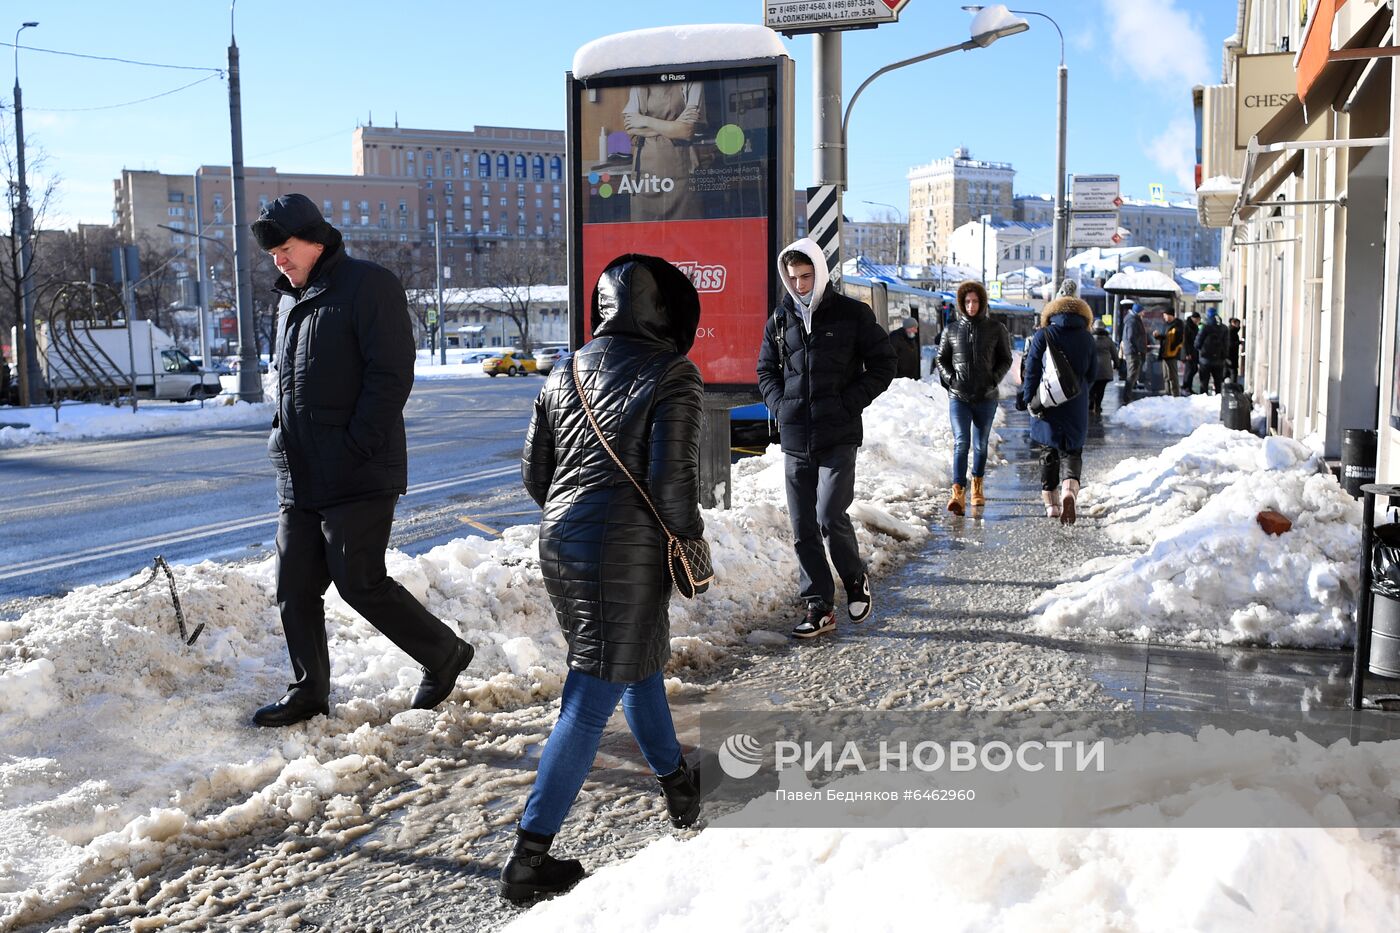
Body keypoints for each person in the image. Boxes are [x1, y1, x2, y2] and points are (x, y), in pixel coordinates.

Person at [504, 254, 710, 903]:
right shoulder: (672, 372)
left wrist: (582, 513)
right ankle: (528, 859)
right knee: (592, 690)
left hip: (565, 541)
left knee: (637, 664)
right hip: (625, 548)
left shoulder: (565, 369)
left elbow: (537, 475)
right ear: (665, 309)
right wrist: (692, 541)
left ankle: (679, 785)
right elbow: (671, 485)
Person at [250, 194, 474, 728]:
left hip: (358, 469)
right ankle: (308, 692)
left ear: (317, 239)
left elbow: (390, 374)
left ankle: (444, 653)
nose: (279, 260)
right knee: (293, 586)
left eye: (286, 248)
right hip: (300, 471)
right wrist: (281, 437)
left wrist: (356, 444)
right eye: (273, 253)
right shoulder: (288, 302)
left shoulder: (368, 285)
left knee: (359, 580)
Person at [757, 237, 896, 638]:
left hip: (839, 435)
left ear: (820, 273)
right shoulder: (780, 320)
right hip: (796, 437)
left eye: (806, 276)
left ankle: (854, 578)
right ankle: (818, 604)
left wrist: (850, 401)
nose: (799, 284)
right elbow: (765, 369)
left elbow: (884, 363)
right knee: (802, 526)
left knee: (829, 515)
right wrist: (781, 406)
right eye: (793, 277)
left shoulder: (852, 314)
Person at [1017, 281, 1096, 524]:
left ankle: (1051, 504)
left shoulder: (1044, 334)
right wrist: (1079, 392)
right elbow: (1092, 374)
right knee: (1072, 451)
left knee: (1048, 450)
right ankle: (1069, 492)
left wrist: (1028, 397)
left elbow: (1031, 370)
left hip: (1047, 400)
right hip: (1076, 402)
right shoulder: (1087, 338)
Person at [937, 281, 1012, 513]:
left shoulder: (996, 328)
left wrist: (993, 379)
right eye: (967, 301)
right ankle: (958, 492)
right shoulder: (951, 330)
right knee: (961, 443)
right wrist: (951, 379)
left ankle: (977, 488)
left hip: (986, 397)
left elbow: (1006, 359)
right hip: (959, 397)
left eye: (975, 301)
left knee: (980, 446)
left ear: (982, 303)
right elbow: (941, 359)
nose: (971, 305)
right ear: (961, 303)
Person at [623, 83, 702, 222]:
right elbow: (630, 127)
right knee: (645, 239)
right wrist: (674, 128)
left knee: (683, 235)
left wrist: (643, 120)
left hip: (680, 170)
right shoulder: (638, 81)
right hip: (644, 174)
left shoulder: (692, 79)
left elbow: (687, 131)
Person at [1089, 315, 1119, 417]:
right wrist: (1117, 364)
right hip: (1105, 369)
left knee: (1092, 387)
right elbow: (1115, 353)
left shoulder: (1090, 339)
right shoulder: (1108, 340)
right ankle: (1097, 406)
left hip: (1092, 368)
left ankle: (1091, 404)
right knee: (1101, 389)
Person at [1196, 309, 1230, 395]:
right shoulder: (1224, 328)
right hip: (1219, 360)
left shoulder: (1205, 327)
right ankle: (1218, 398)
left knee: (1204, 382)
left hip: (1205, 360)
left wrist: (1200, 350)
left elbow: (1197, 343)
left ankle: (1203, 398)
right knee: (1218, 382)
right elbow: (1226, 343)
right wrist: (1224, 356)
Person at [1120, 301, 1149, 395]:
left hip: (1133, 351)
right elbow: (1131, 337)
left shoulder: (1134, 319)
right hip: (1133, 352)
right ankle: (1126, 396)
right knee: (1132, 374)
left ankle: (1127, 395)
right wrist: (1139, 349)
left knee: (1133, 374)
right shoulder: (1132, 321)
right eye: (1142, 311)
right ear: (1138, 311)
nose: (1144, 313)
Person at [1156, 307, 1184, 397]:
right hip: (1164, 353)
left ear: (1170, 315)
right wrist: (1158, 336)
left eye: (1165, 315)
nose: (1164, 317)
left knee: (1172, 375)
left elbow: (1178, 339)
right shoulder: (1166, 325)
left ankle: (1175, 394)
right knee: (1166, 375)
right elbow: (1165, 337)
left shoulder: (1178, 324)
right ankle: (1167, 393)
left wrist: (1174, 347)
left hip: (1172, 353)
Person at [889, 315, 922, 380]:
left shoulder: (911, 338)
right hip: (899, 380)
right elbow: (891, 357)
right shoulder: (895, 337)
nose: (916, 331)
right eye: (914, 328)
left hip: (910, 378)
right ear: (908, 327)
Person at [1182, 311, 1201, 394]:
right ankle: (1186, 387)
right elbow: (1185, 341)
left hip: (1194, 351)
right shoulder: (1188, 326)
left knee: (1193, 369)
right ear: (1194, 318)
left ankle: (1188, 387)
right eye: (1198, 319)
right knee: (1190, 369)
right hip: (1189, 352)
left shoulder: (1194, 326)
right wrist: (1187, 353)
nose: (1198, 321)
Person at [1226, 316, 1244, 383]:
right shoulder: (1231, 331)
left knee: (1230, 372)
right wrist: (1238, 342)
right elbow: (1230, 344)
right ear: (1233, 323)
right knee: (1232, 372)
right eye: (1238, 324)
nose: (1239, 326)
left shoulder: (1233, 331)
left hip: (1231, 356)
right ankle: (1232, 387)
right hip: (1230, 356)